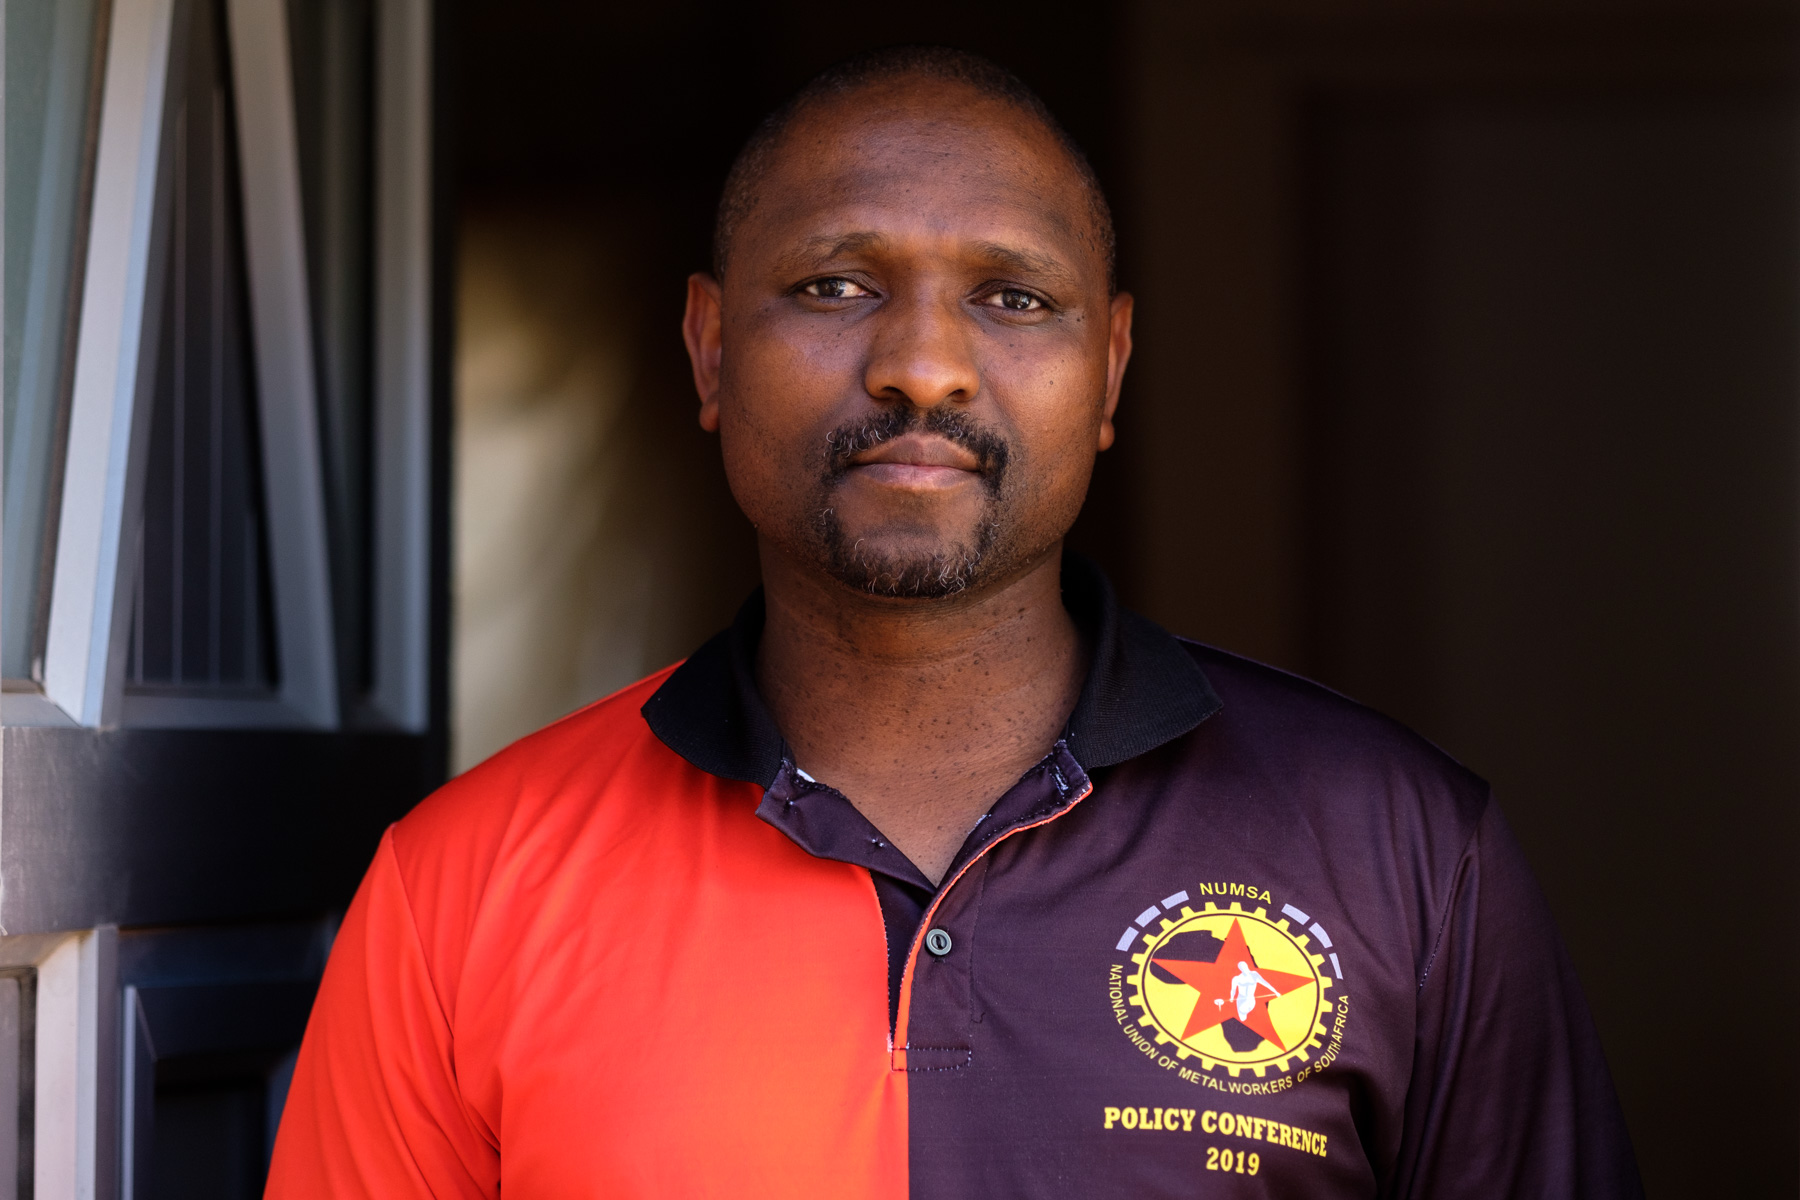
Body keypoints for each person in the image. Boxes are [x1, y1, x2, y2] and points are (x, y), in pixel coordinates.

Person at [267, 46, 1643, 1199]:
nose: (922, 367)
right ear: (707, 349)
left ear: (1107, 369)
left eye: (1012, 298)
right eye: (834, 286)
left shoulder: (1397, 850)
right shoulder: (463, 885)